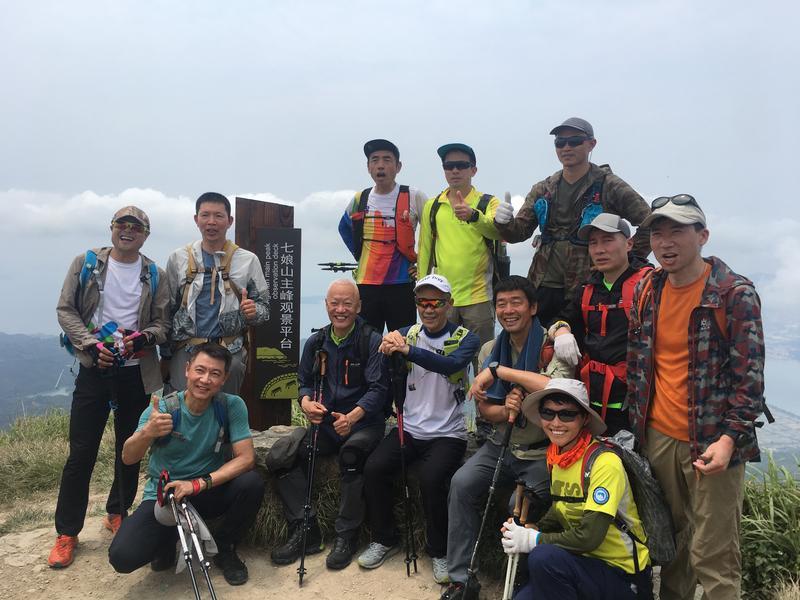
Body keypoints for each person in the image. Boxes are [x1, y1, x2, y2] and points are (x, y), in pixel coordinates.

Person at [626, 195, 765, 600]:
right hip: (658, 437)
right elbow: (639, 363)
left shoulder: (733, 294)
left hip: (712, 441)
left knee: (713, 554)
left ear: (703, 236)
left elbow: (750, 379)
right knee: (672, 546)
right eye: (658, 233)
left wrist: (730, 439)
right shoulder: (648, 289)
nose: (665, 242)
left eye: (677, 231)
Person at [49, 206, 170, 569]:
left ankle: (118, 511)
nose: (128, 230)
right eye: (122, 224)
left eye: (136, 227)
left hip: (136, 373)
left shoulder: (155, 274)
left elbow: (162, 323)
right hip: (93, 370)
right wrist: (90, 344)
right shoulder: (86, 264)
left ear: (146, 234)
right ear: (112, 228)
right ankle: (67, 532)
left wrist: (143, 338)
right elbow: (66, 310)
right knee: (81, 452)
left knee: (129, 447)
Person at [441, 276, 573, 600]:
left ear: (533, 307)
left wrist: (500, 372)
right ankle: (461, 579)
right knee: (461, 484)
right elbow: (485, 408)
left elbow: (555, 389)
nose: (508, 310)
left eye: (516, 302)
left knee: (519, 504)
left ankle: (523, 581)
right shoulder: (491, 349)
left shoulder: (551, 346)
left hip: (543, 452)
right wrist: (505, 410)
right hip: (502, 443)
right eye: (501, 304)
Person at [108, 342, 264, 586]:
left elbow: (246, 458)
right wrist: (147, 432)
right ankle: (169, 537)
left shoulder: (230, 405)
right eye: (200, 370)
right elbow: (128, 457)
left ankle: (225, 546)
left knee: (251, 483)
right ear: (187, 370)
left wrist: (198, 484)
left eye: (215, 373)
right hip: (165, 497)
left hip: (206, 491)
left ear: (224, 378)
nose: (205, 379)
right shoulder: (162, 409)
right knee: (122, 557)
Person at [359, 274, 480, 583]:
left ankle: (439, 551)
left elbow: (450, 365)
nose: (428, 309)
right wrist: (388, 347)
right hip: (409, 428)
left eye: (436, 303)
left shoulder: (466, 338)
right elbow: (386, 367)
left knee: (431, 479)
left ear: (449, 304)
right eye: (422, 302)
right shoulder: (405, 334)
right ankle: (384, 538)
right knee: (374, 469)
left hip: (449, 433)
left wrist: (406, 350)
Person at [271, 279, 389, 571]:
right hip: (325, 425)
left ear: (358, 307)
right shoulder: (317, 342)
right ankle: (305, 527)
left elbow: (379, 389)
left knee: (351, 457)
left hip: (364, 424)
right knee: (281, 458)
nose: (340, 309)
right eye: (334, 303)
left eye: (347, 303)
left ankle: (346, 535)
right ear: (326, 305)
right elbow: (303, 382)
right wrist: (306, 403)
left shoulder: (371, 340)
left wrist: (353, 417)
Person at [502, 378, 652, 599]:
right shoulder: (557, 457)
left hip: (622, 574)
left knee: (543, 557)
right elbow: (561, 507)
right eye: (548, 413)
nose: (556, 422)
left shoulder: (604, 463)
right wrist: (534, 528)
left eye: (567, 415)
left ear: (584, 419)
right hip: (580, 565)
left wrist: (534, 539)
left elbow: (589, 537)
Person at [493, 117, 651, 327]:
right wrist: (503, 222)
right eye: (560, 142)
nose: (566, 147)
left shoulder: (609, 185)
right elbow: (518, 233)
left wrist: (625, 260)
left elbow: (649, 224)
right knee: (540, 341)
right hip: (542, 283)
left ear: (591, 144)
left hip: (591, 284)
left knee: (586, 340)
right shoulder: (544, 188)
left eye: (575, 141)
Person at [548, 213, 653, 435]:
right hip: (590, 402)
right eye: (593, 243)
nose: (599, 250)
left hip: (635, 405)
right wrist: (561, 331)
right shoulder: (588, 288)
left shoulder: (648, 285)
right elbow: (561, 318)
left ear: (629, 244)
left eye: (607, 240)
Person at [161, 191, 269, 394]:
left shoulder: (247, 260)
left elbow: (264, 309)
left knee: (224, 408)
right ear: (196, 219)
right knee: (180, 407)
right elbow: (168, 309)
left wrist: (253, 311)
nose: (211, 222)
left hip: (229, 350)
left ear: (229, 221)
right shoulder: (178, 258)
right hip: (186, 348)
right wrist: (166, 354)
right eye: (205, 215)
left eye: (218, 216)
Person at [338, 138, 428, 332]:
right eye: (375, 160)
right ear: (368, 167)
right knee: (366, 342)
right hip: (366, 284)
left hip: (401, 284)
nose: (380, 165)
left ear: (398, 166)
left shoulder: (413, 195)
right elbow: (344, 227)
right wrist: (360, 254)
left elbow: (432, 231)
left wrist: (422, 263)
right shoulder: (360, 198)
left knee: (402, 341)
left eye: (387, 160)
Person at [417, 143, 502, 347]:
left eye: (462, 165)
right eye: (449, 166)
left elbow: (497, 232)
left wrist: (474, 216)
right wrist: (420, 292)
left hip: (479, 297)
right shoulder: (433, 206)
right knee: (441, 356)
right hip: (442, 297)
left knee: (483, 357)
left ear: (473, 170)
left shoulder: (488, 202)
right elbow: (425, 251)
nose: (455, 170)